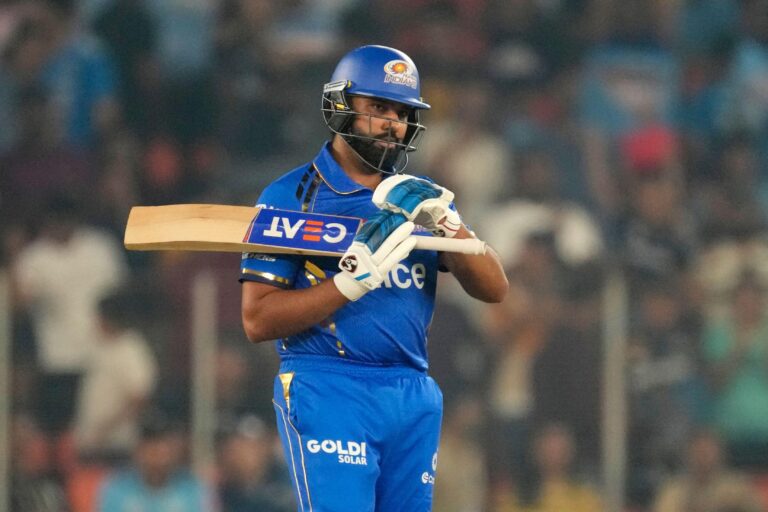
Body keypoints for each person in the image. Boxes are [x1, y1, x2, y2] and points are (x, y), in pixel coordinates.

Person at [239, 44, 508, 511]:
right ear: (341, 105)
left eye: (402, 113)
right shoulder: (291, 196)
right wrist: (348, 284)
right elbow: (257, 320)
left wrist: (448, 225)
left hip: (411, 390)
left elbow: (495, 287)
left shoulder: (417, 198)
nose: (392, 123)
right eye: (378, 107)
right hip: (329, 385)